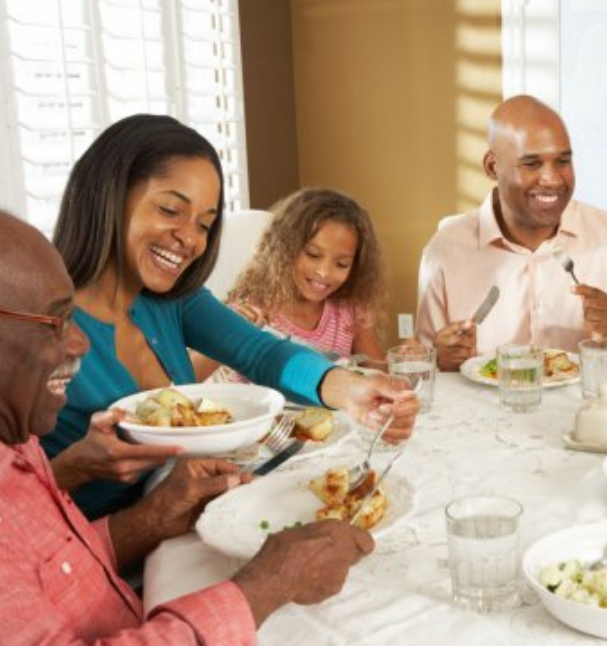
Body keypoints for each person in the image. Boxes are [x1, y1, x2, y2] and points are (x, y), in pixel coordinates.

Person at [0, 202, 376, 646]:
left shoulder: (8, 439)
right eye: (56, 322)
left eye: (204, 223)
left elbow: (54, 573)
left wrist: (153, 517)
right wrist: (265, 586)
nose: (79, 343)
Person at [44, 114, 417, 519]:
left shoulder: (173, 301)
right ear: (108, 195)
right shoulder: (37, 325)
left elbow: (262, 353)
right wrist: (70, 470)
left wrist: (349, 389)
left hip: (183, 522)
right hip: (89, 551)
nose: (191, 239)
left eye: (205, 224)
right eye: (171, 209)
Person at [416, 94, 607, 371]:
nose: (552, 179)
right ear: (492, 167)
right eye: (532, 164)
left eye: (563, 161)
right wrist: (438, 360)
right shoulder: (445, 251)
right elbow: (418, 372)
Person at [195, 188, 387, 380]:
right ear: (284, 250)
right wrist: (231, 332)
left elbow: (379, 374)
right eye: (313, 255)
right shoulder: (252, 308)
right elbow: (186, 376)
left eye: (342, 264)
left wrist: (367, 332)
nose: (324, 272)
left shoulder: (349, 312)